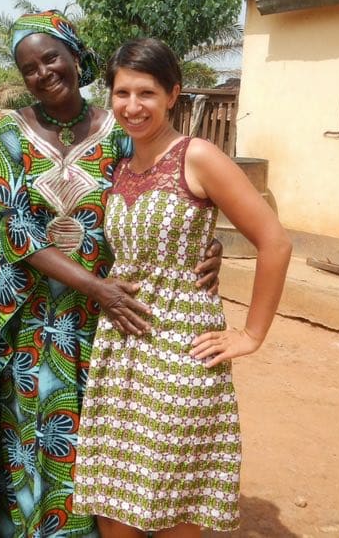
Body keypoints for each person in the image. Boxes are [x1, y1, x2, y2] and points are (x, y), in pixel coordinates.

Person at [0, 12, 223, 537]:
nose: (43, 73)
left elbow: (166, 197)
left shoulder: (120, 131)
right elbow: (15, 231)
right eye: (28, 67)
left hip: (105, 325)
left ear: (77, 56)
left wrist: (206, 243)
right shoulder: (9, 132)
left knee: (95, 440)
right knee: (29, 437)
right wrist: (97, 286)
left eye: (51, 57)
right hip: (28, 319)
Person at [72, 38, 292, 537]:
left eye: (146, 92)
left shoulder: (198, 156)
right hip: (121, 358)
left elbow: (274, 242)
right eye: (122, 92)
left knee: (176, 506)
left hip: (180, 358)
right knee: (114, 505)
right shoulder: (119, 167)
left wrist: (251, 335)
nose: (132, 106)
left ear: (173, 95)